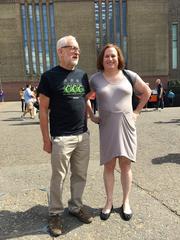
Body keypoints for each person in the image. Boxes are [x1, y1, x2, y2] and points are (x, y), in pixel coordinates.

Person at [87, 44, 151, 221]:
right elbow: (84, 98)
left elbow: (146, 92)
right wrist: (92, 116)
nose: (110, 59)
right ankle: (108, 202)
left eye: (113, 56)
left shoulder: (129, 75)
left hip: (127, 125)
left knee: (125, 165)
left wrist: (137, 112)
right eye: (107, 56)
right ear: (102, 59)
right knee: (109, 166)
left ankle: (126, 201)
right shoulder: (95, 79)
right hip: (107, 126)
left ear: (118, 58)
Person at [37, 35, 93, 237]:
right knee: (58, 177)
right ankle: (55, 213)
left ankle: (76, 207)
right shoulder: (49, 77)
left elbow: (85, 100)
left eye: (78, 48)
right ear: (60, 52)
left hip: (82, 135)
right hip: (61, 138)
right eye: (71, 48)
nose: (76, 51)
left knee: (80, 174)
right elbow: (43, 109)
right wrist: (46, 139)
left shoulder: (82, 75)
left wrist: (93, 117)